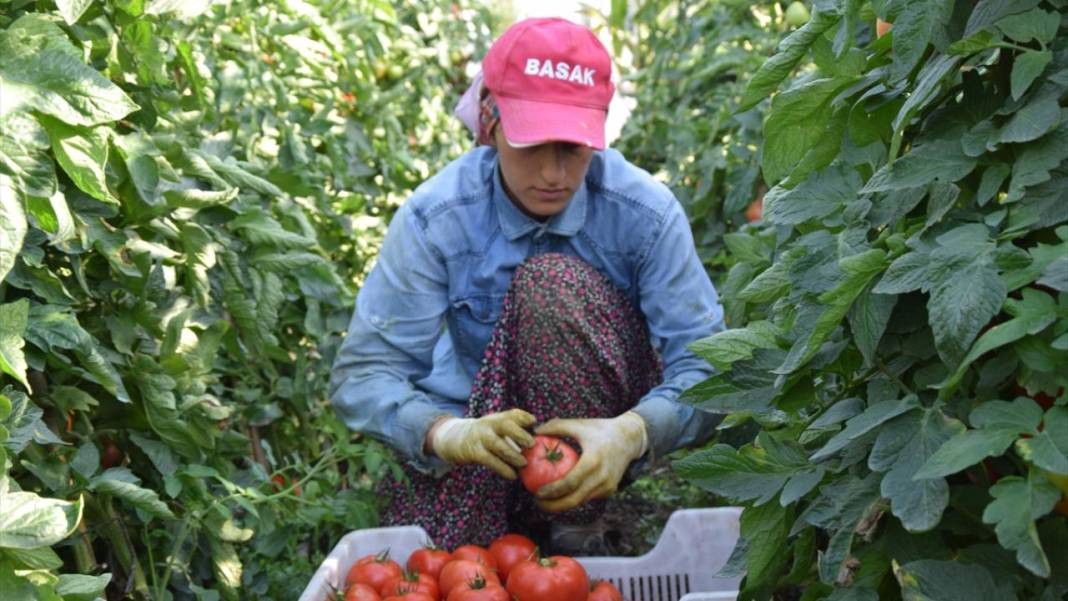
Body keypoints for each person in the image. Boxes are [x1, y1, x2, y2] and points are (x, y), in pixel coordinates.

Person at [329, 16, 724, 552]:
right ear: (491, 125)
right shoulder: (438, 217)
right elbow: (365, 374)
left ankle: (578, 521)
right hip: (481, 421)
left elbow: (707, 368)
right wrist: (447, 434)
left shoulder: (643, 215)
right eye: (531, 145)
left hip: (603, 424)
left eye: (573, 148)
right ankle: (520, 509)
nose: (554, 173)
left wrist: (632, 432)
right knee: (437, 555)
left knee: (550, 284)